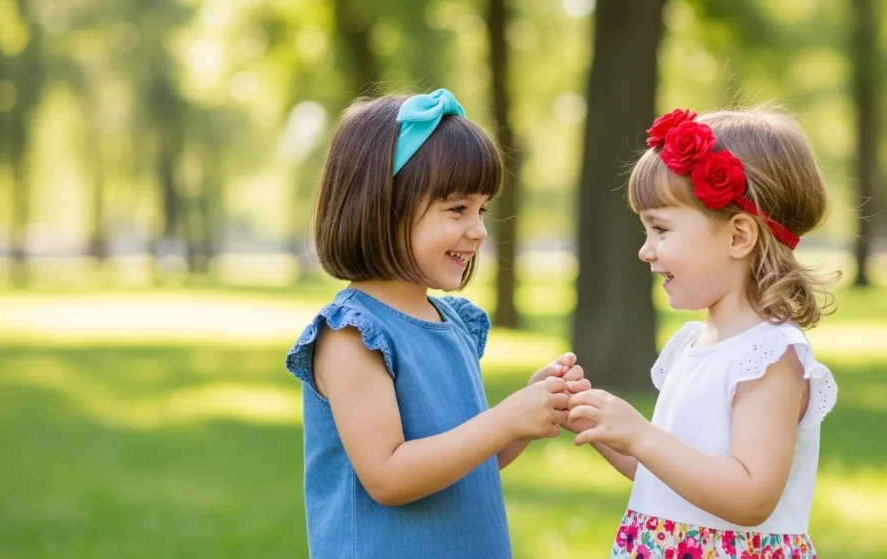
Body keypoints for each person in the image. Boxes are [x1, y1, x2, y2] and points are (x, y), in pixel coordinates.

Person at [284, 88, 581, 559]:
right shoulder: (352, 334)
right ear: (384, 207)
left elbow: (468, 460)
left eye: (481, 210)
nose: (479, 229)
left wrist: (521, 420)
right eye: (457, 209)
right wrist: (502, 421)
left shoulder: (451, 322)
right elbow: (388, 476)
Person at [565, 107, 839, 558]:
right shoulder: (693, 345)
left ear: (738, 237)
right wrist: (601, 425)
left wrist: (642, 436)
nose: (645, 250)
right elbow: (669, 472)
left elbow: (752, 495)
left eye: (660, 229)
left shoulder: (769, 356)